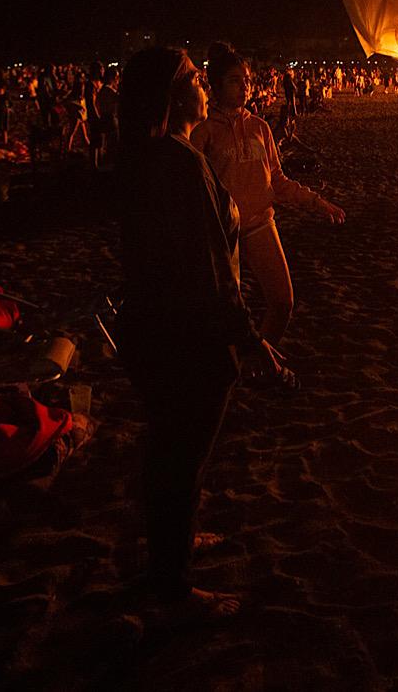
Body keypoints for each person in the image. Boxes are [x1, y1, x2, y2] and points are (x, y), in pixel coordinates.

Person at [116, 46, 290, 614]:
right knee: (182, 460)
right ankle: (174, 588)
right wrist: (251, 340)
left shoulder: (147, 158)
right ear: (174, 94)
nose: (204, 84)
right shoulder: (181, 165)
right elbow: (214, 273)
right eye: (194, 77)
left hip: (152, 334)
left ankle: (172, 545)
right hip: (188, 342)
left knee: (169, 453)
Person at [192, 42, 345, 349]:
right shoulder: (203, 131)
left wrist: (317, 202)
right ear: (217, 85)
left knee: (283, 301)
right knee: (226, 314)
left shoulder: (260, 127)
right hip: (222, 234)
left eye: (247, 80)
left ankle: (262, 363)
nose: (244, 87)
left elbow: (276, 179)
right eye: (235, 80)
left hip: (260, 223)